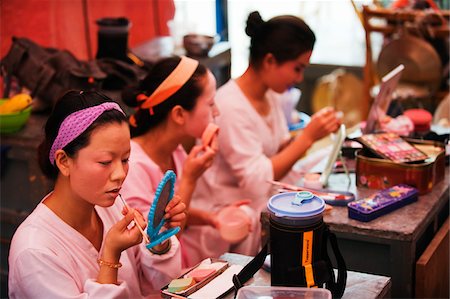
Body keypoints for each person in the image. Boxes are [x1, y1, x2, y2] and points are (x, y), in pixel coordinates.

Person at [181, 11, 342, 267]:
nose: (299, 79)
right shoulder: (230, 106)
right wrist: (307, 138)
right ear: (269, 60)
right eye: (297, 68)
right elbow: (257, 181)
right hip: (225, 217)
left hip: (256, 200)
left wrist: (310, 136)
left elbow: (276, 152)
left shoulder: (270, 95)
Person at [8, 90, 186, 298]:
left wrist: (158, 239)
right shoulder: (34, 251)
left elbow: (162, 285)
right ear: (64, 161)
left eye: (125, 159)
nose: (120, 174)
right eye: (105, 162)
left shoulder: (112, 208)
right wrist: (110, 255)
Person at [120, 56, 219, 247]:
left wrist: (213, 218)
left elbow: (179, 211)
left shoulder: (175, 150)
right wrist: (189, 179)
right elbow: (159, 248)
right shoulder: (133, 169)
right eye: (211, 103)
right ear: (179, 114)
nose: (217, 112)